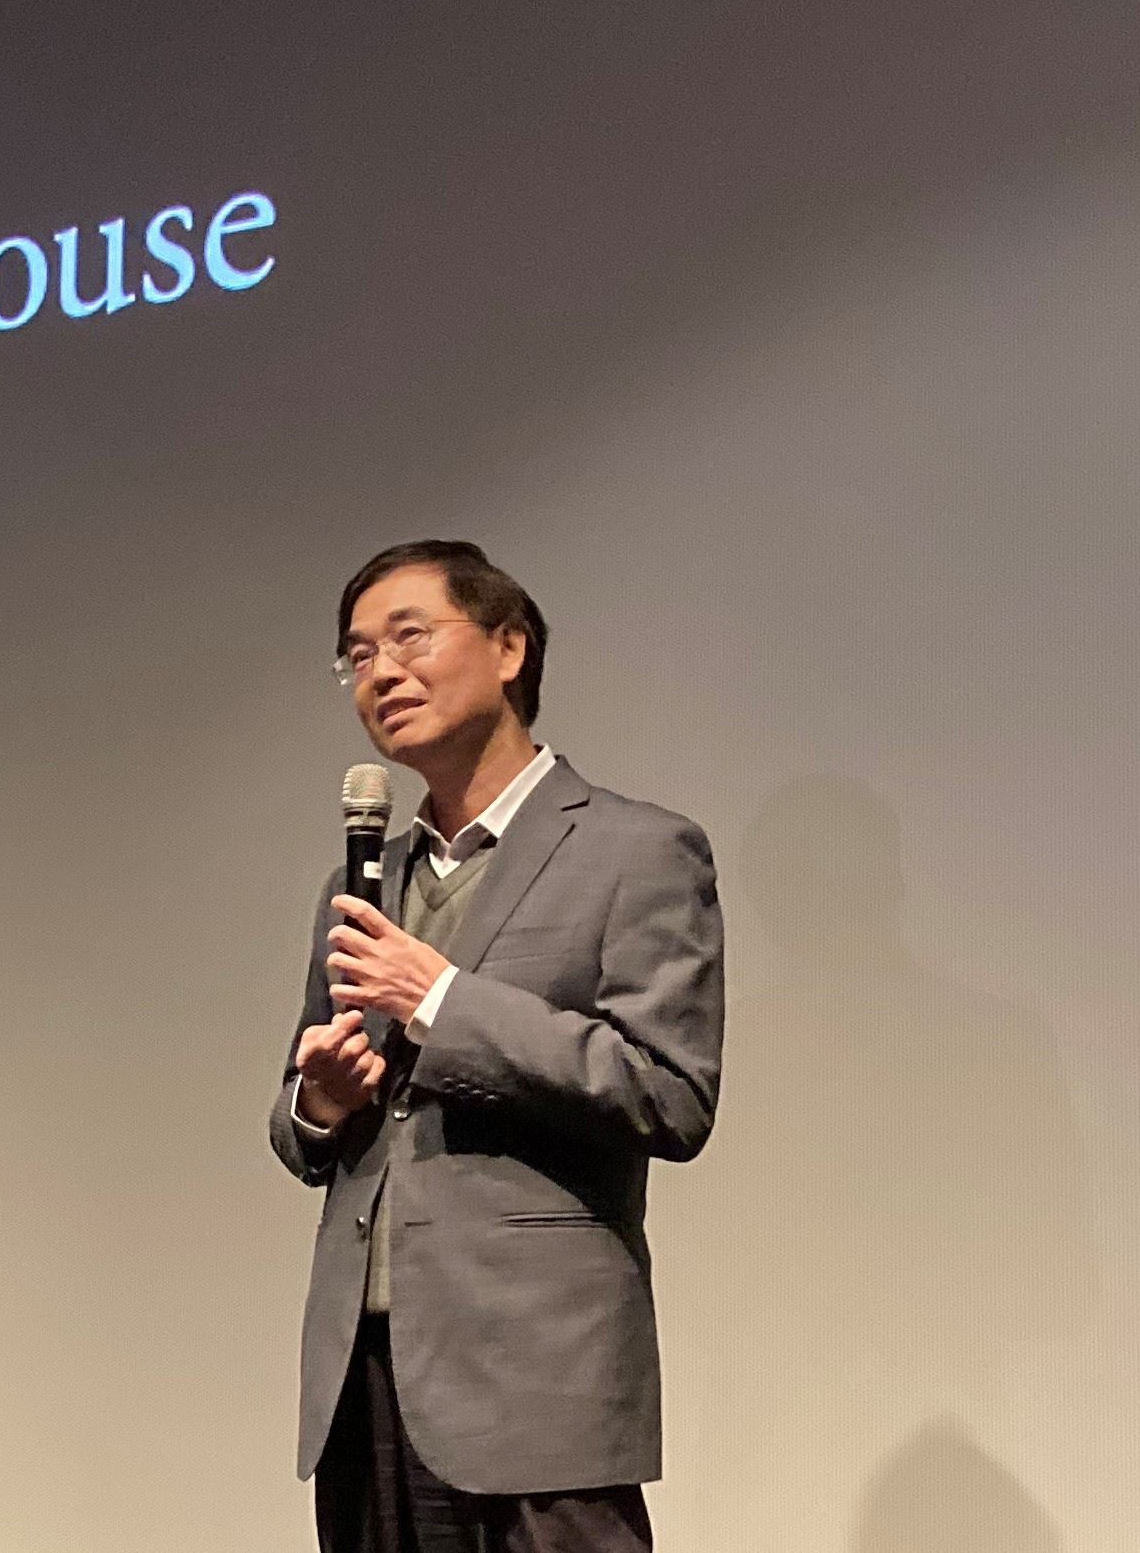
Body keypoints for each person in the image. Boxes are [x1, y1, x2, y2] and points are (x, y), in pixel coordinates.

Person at [267, 540, 725, 1553]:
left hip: (536, 1385)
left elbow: (669, 1091)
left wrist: (440, 1001)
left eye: (408, 637)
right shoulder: (363, 879)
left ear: (509, 647)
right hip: (365, 1378)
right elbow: (299, 1121)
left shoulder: (637, 850)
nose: (380, 673)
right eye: (356, 656)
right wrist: (321, 1103)